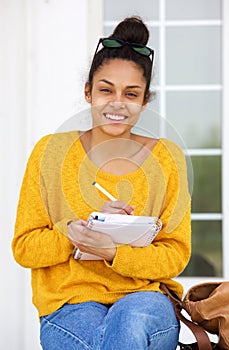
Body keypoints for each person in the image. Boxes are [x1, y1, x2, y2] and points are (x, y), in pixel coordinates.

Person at [12, 16, 191, 350]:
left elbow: (175, 255)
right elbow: (24, 248)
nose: (117, 103)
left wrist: (113, 252)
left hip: (145, 299)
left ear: (145, 101)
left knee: (130, 322)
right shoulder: (51, 153)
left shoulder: (167, 159)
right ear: (88, 92)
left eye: (131, 93)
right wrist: (72, 231)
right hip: (70, 304)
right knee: (108, 338)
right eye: (106, 90)